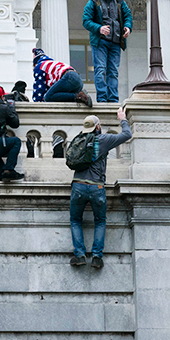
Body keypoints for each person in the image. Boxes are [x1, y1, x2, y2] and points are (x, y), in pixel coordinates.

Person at [69, 108, 132, 269]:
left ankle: (79, 255)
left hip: (78, 185)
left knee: (76, 220)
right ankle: (97, 257)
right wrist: (122, 119)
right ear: (97, 127)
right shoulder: (103, 139)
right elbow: (127, 135)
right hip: (96, 186)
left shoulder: (79, 139)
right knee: (100, 221)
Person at [82, 0, 132, 103]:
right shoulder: (92, 2)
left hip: (115, 42)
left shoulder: (119, 0)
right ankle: (102, 99)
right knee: (100, 70)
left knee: (113, 72)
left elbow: (127, 15)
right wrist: (99, 28)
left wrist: (127, 27)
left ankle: (113, 99)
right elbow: (86, 21)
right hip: (100, 42)